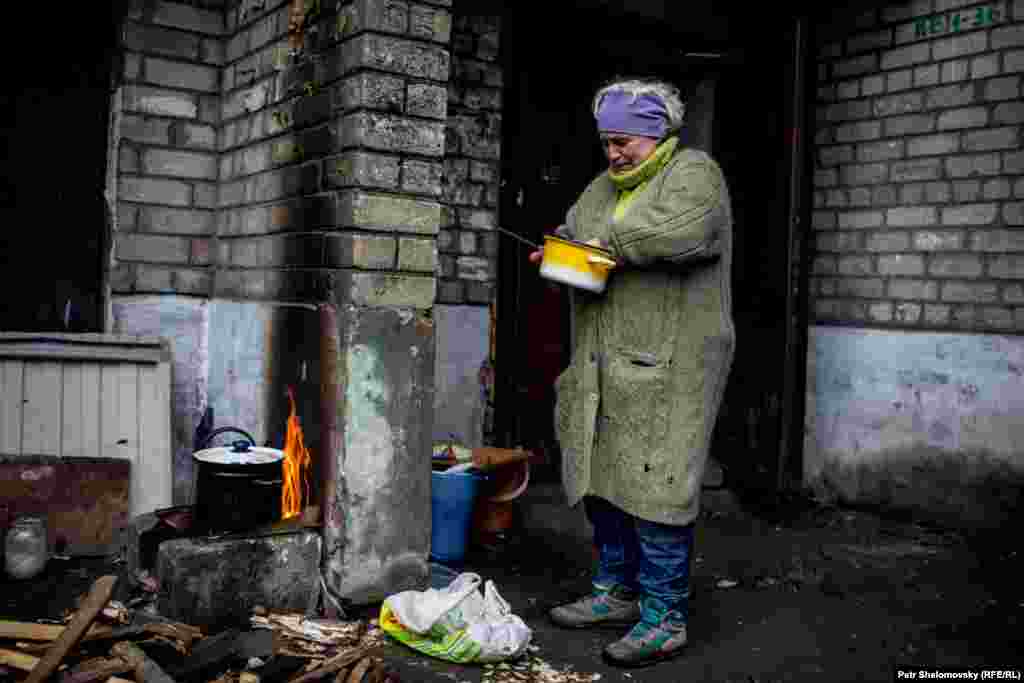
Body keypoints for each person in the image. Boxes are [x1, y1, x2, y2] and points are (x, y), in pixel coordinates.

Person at [529, 77, 735, 667]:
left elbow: (682, 231)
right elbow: (577, 237)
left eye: (625, 142)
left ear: (658, 134)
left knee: (658, 487)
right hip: (602, 358)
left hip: (673, 362)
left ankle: (664, 617)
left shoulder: (694, 174)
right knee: (604, 477)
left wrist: (597, 245)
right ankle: (616, 592)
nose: (614, 153)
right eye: (607, 142)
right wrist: (560, 255)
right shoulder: (601, 188)